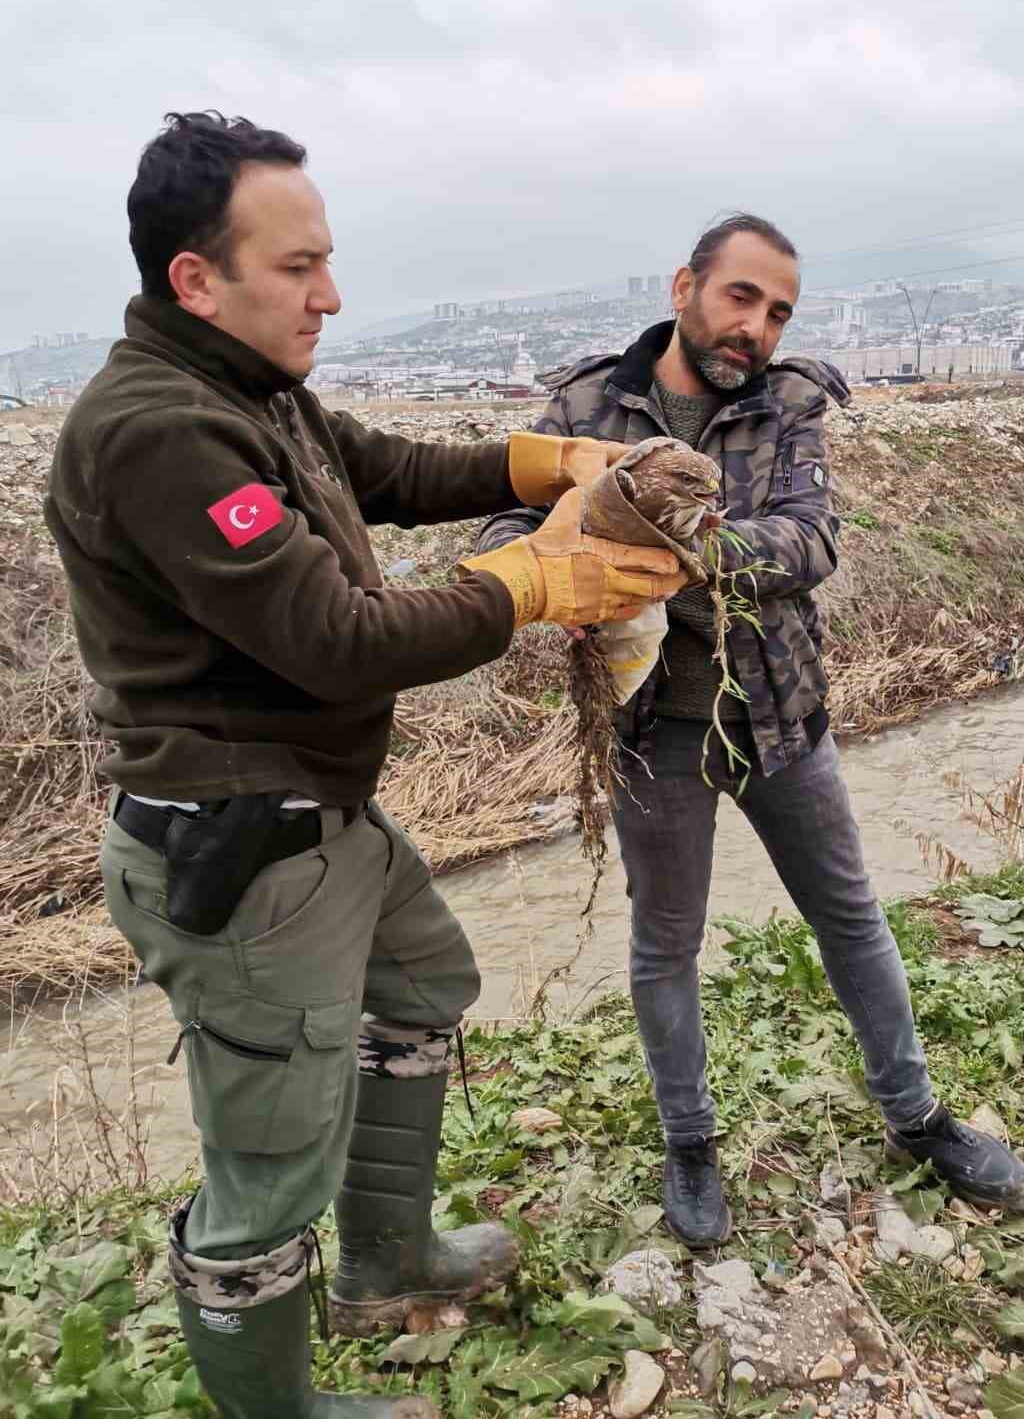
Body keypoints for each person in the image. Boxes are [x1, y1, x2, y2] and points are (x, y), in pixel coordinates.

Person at [44, 111, 685, 1418]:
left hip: (319, 816)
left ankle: (385, 1265)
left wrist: (556, 459)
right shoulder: (159, 429)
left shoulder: (248, 389)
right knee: (266, 1171)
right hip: (241, 851)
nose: (330, 295)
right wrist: (543, 578)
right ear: (195, 277)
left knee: (427, 983)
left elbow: (386, 469)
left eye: (327, 261)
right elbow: (335, 641)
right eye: (299, 267)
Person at [478, 214, 1024, 1249]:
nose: (757, 327)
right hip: (652, 730)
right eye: (741, 297)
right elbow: (512, 529)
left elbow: (809, 539)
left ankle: (916, 1115)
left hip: (781, 714)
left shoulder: (789, 402)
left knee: (850, 915)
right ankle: (689, 1142)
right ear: (686, 284)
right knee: (666, 943)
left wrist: (684, 544)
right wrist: (542, 570)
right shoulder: (586, 404)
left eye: (778, 312)